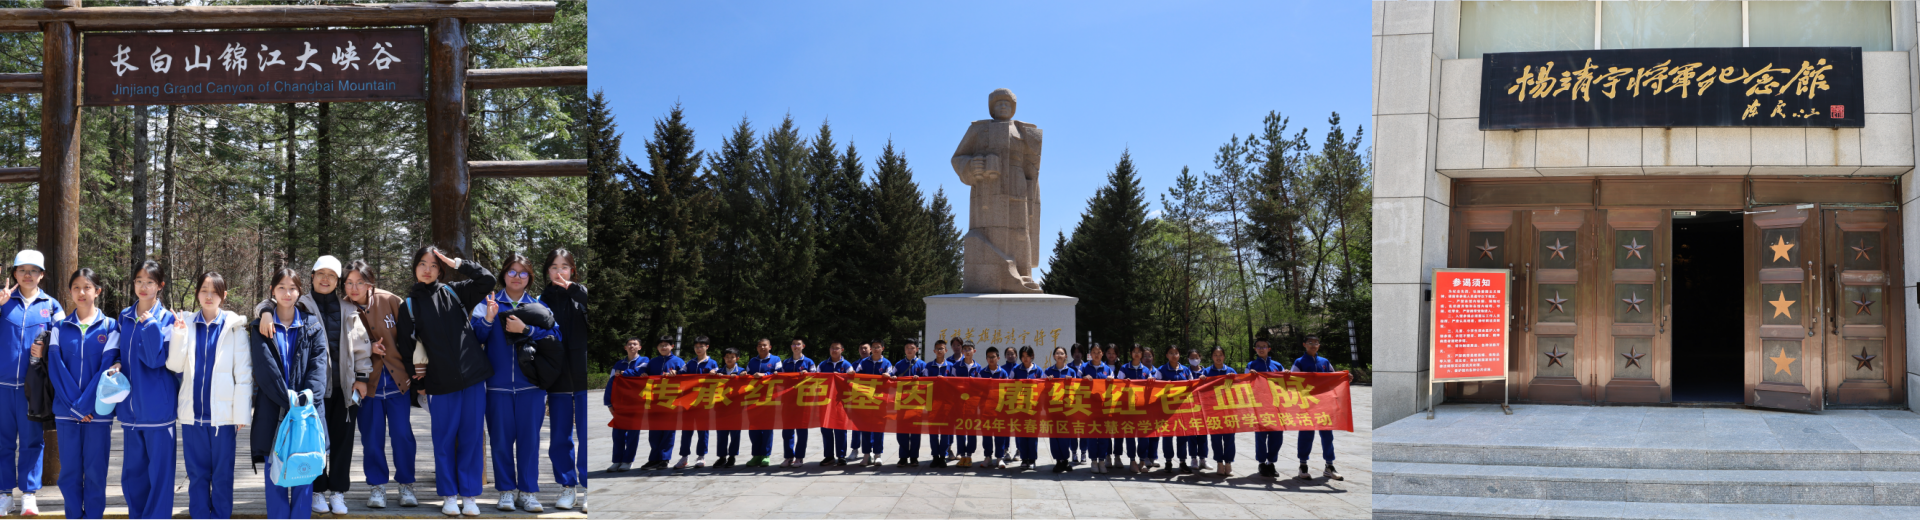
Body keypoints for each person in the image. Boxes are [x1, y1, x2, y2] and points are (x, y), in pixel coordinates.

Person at [254, 256, 372, 516]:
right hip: (311, 389)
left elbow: (362, 345)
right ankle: (317, 490)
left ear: (337, 281)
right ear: (312, 276)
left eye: (331, 275)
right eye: (321, 273)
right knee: (312, 441)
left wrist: (362, 377)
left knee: (342, 441)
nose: (325, 279)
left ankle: (338, 491)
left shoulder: (348, 308)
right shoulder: (301, 302)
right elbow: (271, 301)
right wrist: (265, 311)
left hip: (343, 386)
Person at [393, 246, 498, 516]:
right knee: (444, 440)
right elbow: (406, 349)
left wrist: (459, 263)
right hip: (439, 384)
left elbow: (488, 280)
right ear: (415, 268)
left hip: (473, 378)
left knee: (472, 438)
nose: (427, 269)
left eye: (433, 265)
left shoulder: (455, 291)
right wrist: (419, 385)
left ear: (441, 270)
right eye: (422, 264)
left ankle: (470, 496)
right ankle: (449, 495)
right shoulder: (409, 306)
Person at [466, 255, 553, 513]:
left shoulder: (539, 305)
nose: (517, 277)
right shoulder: (487, 303)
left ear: (530, 278)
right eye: (512, 272)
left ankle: (527, 492)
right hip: (496, 387)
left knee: (530, 442)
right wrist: (488, 319)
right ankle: (505, 491)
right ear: (504, 274)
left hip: (532, 387)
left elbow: (554, 336)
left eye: (523, 273)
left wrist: (527, 330)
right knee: (501, 442)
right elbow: (474, 339)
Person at [168, 272, 253, 519]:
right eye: (204, 290)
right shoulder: (186, 323)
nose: (208, 296)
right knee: (197, 474)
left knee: (223, 474)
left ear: (223, 296)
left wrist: (241, 414)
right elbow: (174, 365)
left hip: (223, 418)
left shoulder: (234, 328)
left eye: (214, 292)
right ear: (197, 293)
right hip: (192, 416)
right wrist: (178, 335)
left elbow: (244, 374)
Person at [249, 267, 331, 519]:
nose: (287, 293)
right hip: (274, 411)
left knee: (304, 470)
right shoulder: (260, 326)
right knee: (274, 472)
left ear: (300, 292)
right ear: (272, 291)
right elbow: (265, 371)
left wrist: (303, 401)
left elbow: (319, 367)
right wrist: (290, 401)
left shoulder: (312, 325)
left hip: (306, 412)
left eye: (292, 288)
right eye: (281, 287)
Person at [39, 269, 115, 519]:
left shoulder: (110, 326)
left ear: (98, 291)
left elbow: (106, 369)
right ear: (70, 291)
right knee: (69, 472)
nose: (81, 292)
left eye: (87, 287)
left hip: (98, 413)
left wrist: (85, 406)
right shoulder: (59, 327)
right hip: (66, 413)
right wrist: (75, 407)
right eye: (76, 287)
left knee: (96, 472)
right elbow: (56, 369)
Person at [344, 260, 419, 508]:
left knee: (403, 436)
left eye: (360, 282)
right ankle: (377, 486)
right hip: (367, 386)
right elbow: (342, 346)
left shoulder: (391, 301)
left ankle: (406, 485)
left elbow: (411, 337)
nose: (354, 288)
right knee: (372, 438)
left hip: (398, 382)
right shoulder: (343, 308)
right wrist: (369, 348)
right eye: (349, 283)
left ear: (370, 283)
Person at [0, 250, 60, 516]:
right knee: (2, 443)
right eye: (22, 270)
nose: (27, 274)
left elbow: (62, 342)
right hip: (2, 386)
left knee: (32, 441)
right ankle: (4, 494)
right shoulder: (3, 301)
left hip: (33, 389)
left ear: (41, 275)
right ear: (14, 273)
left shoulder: (52, 306)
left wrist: (45, 351)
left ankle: (28, 495)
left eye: (33, 270)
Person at [120, 260, 180, 519]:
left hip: (158, 410)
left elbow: (156, 360)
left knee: (161, 476)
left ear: (160, 286)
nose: (143, 287)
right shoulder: (124, 316)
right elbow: (120, 352)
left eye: (149, 282)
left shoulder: (168, 319)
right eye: (138, 281)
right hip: (130, 410)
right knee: (132, 475)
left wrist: (151, 326)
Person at [538, 248, 590, 512]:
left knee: (587, 435)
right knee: (560, 436)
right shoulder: (540, 300)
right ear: (547, 271)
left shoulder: (582, 296)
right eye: (554, 267)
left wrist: (573, 289)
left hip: (582, 377)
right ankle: (567, 487)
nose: (559, 272)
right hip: (556, 376)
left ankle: (589, 488)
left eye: (565, 267)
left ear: (573, 270)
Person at [628, 336, 684, 470]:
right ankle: (653, 459)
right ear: (657, 348)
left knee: (668, 431)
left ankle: (664, 459)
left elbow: (687, 377)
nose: (663, 347)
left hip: (671, 402)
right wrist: (643, 374)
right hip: (654, 402)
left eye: (666, 345)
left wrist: (678, 373)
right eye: (660, 345)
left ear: (672, 346)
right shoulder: (652, 362)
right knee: (654, 431)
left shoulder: (679, 362)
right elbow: (639, 371)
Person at [1292, 335, 1340, 481]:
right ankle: (1303, 465)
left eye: (1316, 343)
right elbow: (1292, 381)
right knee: (1306, 435)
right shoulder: (1299, 362)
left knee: (1327, 435)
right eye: (1310, 342)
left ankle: (1329, 466)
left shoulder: (1325, 362)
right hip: (1306, 405)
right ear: (1304, 344)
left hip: (1324, 404)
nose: (1313, 345)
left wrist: (1345, 377)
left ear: (1319, 345)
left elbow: (1334, 377)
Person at [1244, 338, 1288, 479]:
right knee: (1261, 436)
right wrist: (1249, 376)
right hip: (1259, 406)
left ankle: (1271, 463)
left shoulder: (1277, 365)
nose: (1261, 349)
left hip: (1276, 405)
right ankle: (1262, 463)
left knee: (1277, 436)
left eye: (1264, 346)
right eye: (1258, 346)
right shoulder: (1251, 365)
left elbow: (1285, 383)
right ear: (1255, 349)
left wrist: (1286, 374)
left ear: (1269, 349)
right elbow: (1244, 384)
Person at [675, 337, 719, 469]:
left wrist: (715, 373)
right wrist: (674, 373)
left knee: (702, 430)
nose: (698, 349)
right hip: (688, 402)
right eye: (696, 347)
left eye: (701, 346)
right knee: (686, 430)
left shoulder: (712, 363)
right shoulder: (690, 363)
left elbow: (720, 375)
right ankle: (684, 457)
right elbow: (680, 373)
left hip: (704, 402)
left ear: (707, 347)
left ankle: (701, 456)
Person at [1157, 346, 1199, 474]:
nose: (1174, 355)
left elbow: (1192, 385)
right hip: (1167, 409)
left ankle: (1182, 461)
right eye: (1171, 353)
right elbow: (1156, 387)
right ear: (1166, 355)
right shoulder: (1161, 370)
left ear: (1179, 355)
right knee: (1167, 436)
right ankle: (1168, 461)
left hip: (1183, 408)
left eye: (1176, 353)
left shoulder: (1185, 370)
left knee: (1183, 436)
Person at [606, 338, 645, 471]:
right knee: (618, 433)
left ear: (639, 347)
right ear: (625, 347)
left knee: (633, 433)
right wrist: (608, 403)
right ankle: (617, 460)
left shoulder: (644, 361)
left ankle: (628, 461)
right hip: (620, 403)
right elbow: (611, 383)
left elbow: (639, 373)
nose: (632, 346)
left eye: (635, 344)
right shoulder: (619, 363)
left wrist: (623, 373)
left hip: (636, 403)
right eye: (629, 344)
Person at [1117, 344, 1158, 473]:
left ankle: (1142, 461)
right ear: (1130, 353)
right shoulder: (1124, 368)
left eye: (1139, 352)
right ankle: (1132, 461)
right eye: (1134, 351)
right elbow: (1116, 385)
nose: (1136, 354)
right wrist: (1124, 383)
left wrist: (1151, 381)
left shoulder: (1146, 370)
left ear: (1141, 354)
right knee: (1130, 435)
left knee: (1143, 435)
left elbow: (1152, 389)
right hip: (1128, 408)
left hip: (1143, 408)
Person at [852, 340, 892, 466]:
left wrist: (888, 376)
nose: (875, 349)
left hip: (880, 400)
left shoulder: (887, 363)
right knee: (865, 428)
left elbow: (892, 376)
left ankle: (878, 454)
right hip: (865, 399)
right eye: (874, 347)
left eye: (878, 347)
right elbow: (856, 375)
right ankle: (866, 455)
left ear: (882, 348)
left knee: (879, 428)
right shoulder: (864, 362)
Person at [743, 338, 781, 468]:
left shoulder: (776, 360)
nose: (762, 347)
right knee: (754, 428)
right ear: (757, 348)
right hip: (753, 399)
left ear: (770, 347)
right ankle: (756, 455)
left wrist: (765, 374)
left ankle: (765, 455)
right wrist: (744, 374)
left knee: (767, 428)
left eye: (764, 345)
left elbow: (780, 374)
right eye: (759, 345)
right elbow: (747, 376)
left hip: (769, 399)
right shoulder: (752, 361)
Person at [919, 341, 958, 468]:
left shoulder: (951, 366)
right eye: (937, 349)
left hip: (947, 404)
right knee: (933, 431)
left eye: (942, 348)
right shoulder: (928, 366)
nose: (939, 351)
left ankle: (943, 456)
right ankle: (935, 456)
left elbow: (955, 384)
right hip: (932, 403)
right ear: (934, 351)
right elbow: (924, 383)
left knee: (945, 431)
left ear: (946, 351)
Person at [1200, 347, 1238, 476]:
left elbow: (1237, 387)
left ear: (1224, 356)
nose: (1218, 357)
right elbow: (1201, 389)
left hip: (1228, 410)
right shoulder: (1206, 371)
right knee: (1216, 439)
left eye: (1220, 354)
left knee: (1229, 438)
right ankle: (1219, 463)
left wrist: (1233, 379)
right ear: (1212, 357)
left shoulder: (1230, 371)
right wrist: (1202, 380)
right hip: (1213, 410)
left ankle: (1228, 463)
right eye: (1215, 355)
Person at [778, 339, 815, 468]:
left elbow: (815, 378)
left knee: (801, 430)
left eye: (798, 344)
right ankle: (788, 457)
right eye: (794, 344)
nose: (796, 346)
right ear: (791, 346)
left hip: (803, 401)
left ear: (803, 346)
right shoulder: (786, 362)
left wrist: (808, 375)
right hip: (787, 401)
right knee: (787, 431)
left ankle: (799, 457)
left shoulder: (809, 362)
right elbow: (780, 379)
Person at [814, 341, 853, 467]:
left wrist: (841, 377)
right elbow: (816, 380)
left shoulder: (847, 365)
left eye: (837, 348)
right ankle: (829, 456)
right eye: (832, 348)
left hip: (840, 402)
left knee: (840, 429)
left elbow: (852, 380)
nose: (834, 350)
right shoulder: (822, 364)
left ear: (842, 350)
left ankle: (841, 456)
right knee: (826, 429)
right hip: (825, 402)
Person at [1042, 346, 1078, 473]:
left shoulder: (1071, 372)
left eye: (1062, 353)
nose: (1059, 355)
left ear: (1066, 356)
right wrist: (1047, 382)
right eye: (1057, 353)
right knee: (1054, 436)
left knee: (1065, 435)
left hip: (1066, 409)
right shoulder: (1048, 371)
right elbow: (1042, 389)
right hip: (1052, 409)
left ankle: (1065, 460)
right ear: (1054, 356)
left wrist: (1071, 382)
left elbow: (1077, 388)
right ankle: (1058, 460)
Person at [890, 341, 926, 467]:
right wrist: (893, 378)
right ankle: (903, 457)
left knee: (915, 431)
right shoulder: (899, 364)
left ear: (917, 349)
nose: (909, 350)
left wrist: (920, 379)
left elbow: (928, 381)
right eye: (907, 348)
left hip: (916, 403)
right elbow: (891, 376)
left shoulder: (922, 364)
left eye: (912, 348)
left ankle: (914, 457)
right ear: (904, 350)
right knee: (902, 431)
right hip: (902, 402)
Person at [1009, 346, 1043, 471]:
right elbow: (1008, 385)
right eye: (1023, 356)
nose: (1025, 359)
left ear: (1032, 356)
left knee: (1032, 434)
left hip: (1034, 408)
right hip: (1019, 408)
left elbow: (1042, 387)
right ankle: (1024, 459)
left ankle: (1032, 459)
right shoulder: (1016, 369)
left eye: (1027, 356)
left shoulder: (1038, 370)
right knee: (1021, 434)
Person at [1078, 344, 1111, 474]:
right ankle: (1093, 461)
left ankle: (1102, 460)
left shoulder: (1107, 369)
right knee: (1091, 434)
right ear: (1090, 354)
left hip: (1103, 407)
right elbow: (1076, 382)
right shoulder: (1084, 367)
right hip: (1089, 407)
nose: (1096, 355)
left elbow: (1115, 386)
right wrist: (1083, 379)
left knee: (1103, 435)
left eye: (1099, 352)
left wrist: (1111, 380)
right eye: (1094, 352)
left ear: (1102, 354)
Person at [976, 346, 1009, 469]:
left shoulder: (1003, 373)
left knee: (1000, 433)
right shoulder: (982, 373)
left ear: (998, 358)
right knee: (987, 434)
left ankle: (1000, 458)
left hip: (1000, 409)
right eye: (989, 357)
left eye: (993, 357)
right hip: (986, 409)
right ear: (986, 358)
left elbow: (1007, 390)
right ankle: (987, 457)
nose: (991, 359)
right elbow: (978, 390)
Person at [713, 347, 746, 468]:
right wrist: (715, 376)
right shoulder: (719, 372)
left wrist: (742, 376)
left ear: (737, 358)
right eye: (727, 357)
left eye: (732, 357)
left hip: (736, 408)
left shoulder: (742, 371)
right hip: (721, 407)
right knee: (721, 433)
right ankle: (721, 457)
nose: (729, 359)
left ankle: (732, 456)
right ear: (724, 358)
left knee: (735, 434)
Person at [950, 342, 980, 468]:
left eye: (969, 349)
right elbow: (952, 384)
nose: (967, 351)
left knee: (971, 429)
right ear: (962, 352)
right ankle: (962, 455)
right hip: (959, 403)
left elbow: (980, 386)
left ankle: (969, 455)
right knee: (960, 428)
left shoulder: (978, 367)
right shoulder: (956, 366)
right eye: (965, 349)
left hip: (972, 403)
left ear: (974, 351)